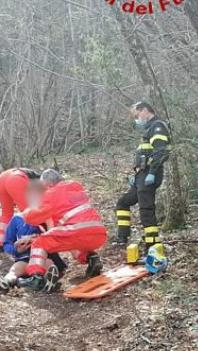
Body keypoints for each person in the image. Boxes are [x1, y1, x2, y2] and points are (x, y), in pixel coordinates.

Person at [17, 169, 106, 292]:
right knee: (73, 243)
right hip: (98, 233)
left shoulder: (52, 193)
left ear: (48, 185)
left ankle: (36, 277)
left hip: (76, 231)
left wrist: (25, 212)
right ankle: (92, 258)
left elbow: (33, 217)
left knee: (39, 243)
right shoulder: (77, 189)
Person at [114, 101, 170, 248]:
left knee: (146, 208)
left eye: (138, 115)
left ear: (145, 110)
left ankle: (152, 244)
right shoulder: (148, 130)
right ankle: (122, 238)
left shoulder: (157, 126)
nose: (137, 119)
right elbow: (145, 155)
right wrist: (136, 175)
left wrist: (151, 173)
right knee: (123, 203)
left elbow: (161, 152)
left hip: (150, 175)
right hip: (142, 176)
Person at [0, 168, 41, 253]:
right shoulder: (40, 183)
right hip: (15, 179)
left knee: (6, 213)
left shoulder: (30, 175)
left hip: (2, 178)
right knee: (30, 212)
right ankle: (31, 244)